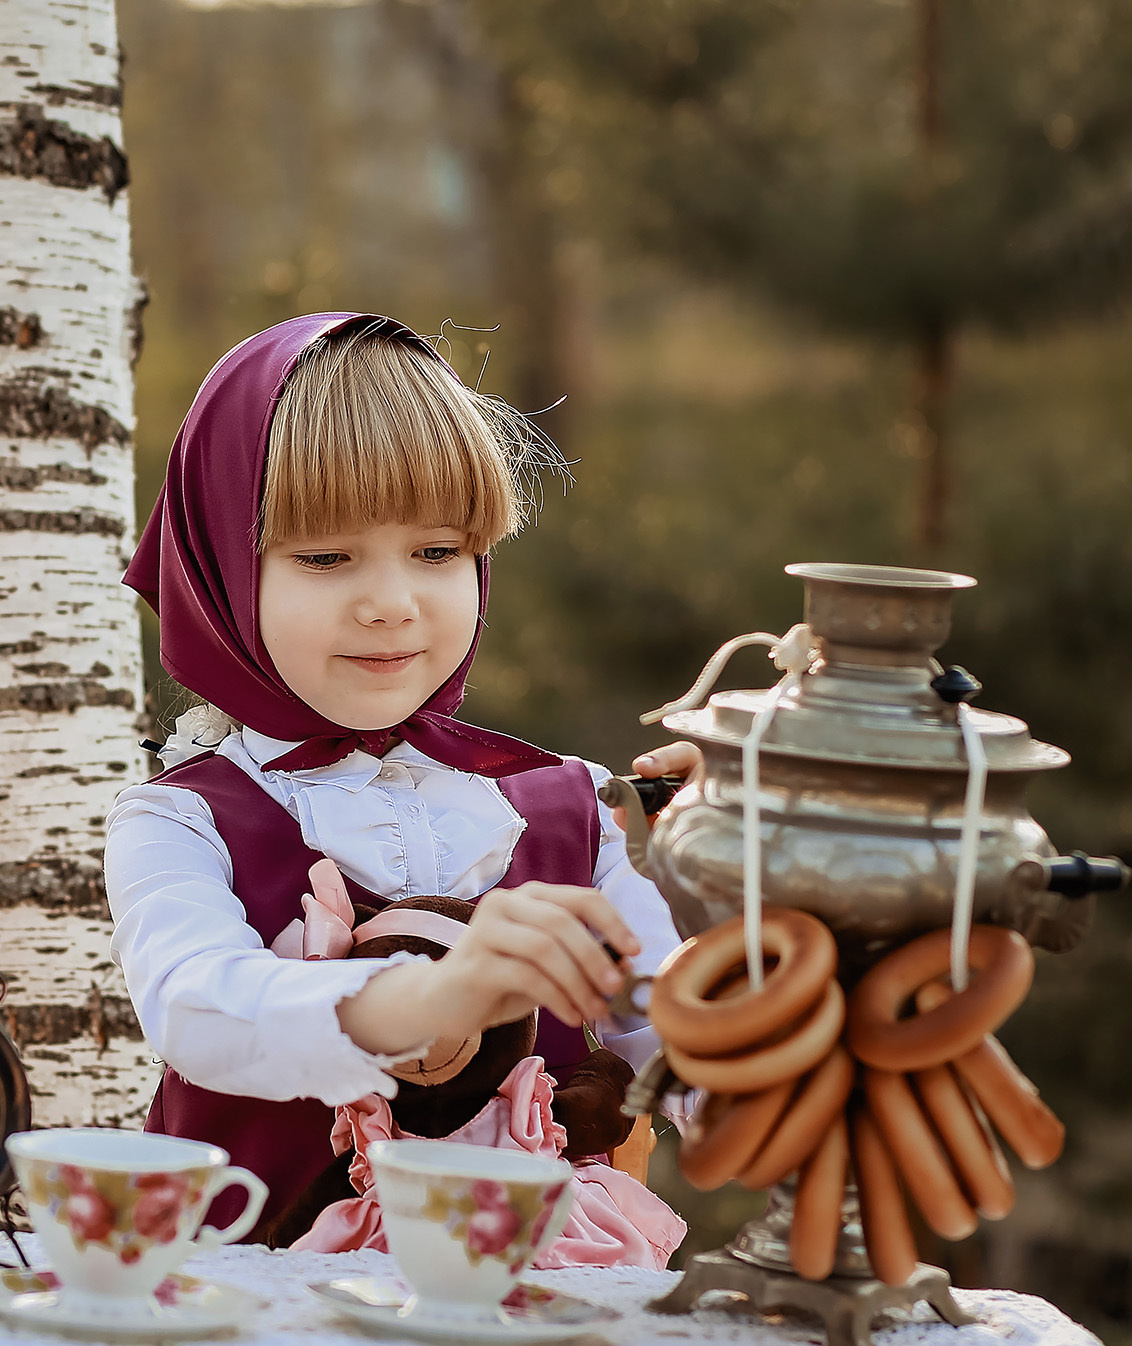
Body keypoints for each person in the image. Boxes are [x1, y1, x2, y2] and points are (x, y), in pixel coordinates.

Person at [106, 313, 702, 1260]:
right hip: (260, 1322)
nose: (392, 602)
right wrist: (431, 996)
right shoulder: (182, 818)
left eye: (437, 552)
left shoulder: (572, 803)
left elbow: (679, 1044)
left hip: (528, 1312)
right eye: (325, 557)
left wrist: (787, 889)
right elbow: (197, 1007)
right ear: (219, 568)